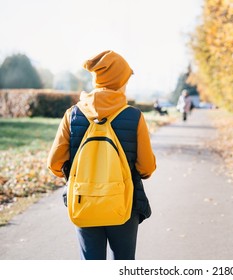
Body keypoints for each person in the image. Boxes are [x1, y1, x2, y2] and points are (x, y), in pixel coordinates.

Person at [47, 50, 156, 260]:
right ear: (119, 81)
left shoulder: (73, 114)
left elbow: (54, 163)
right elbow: (146, 168)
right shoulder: (134, 116)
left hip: (83, 200)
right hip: (123, 202)